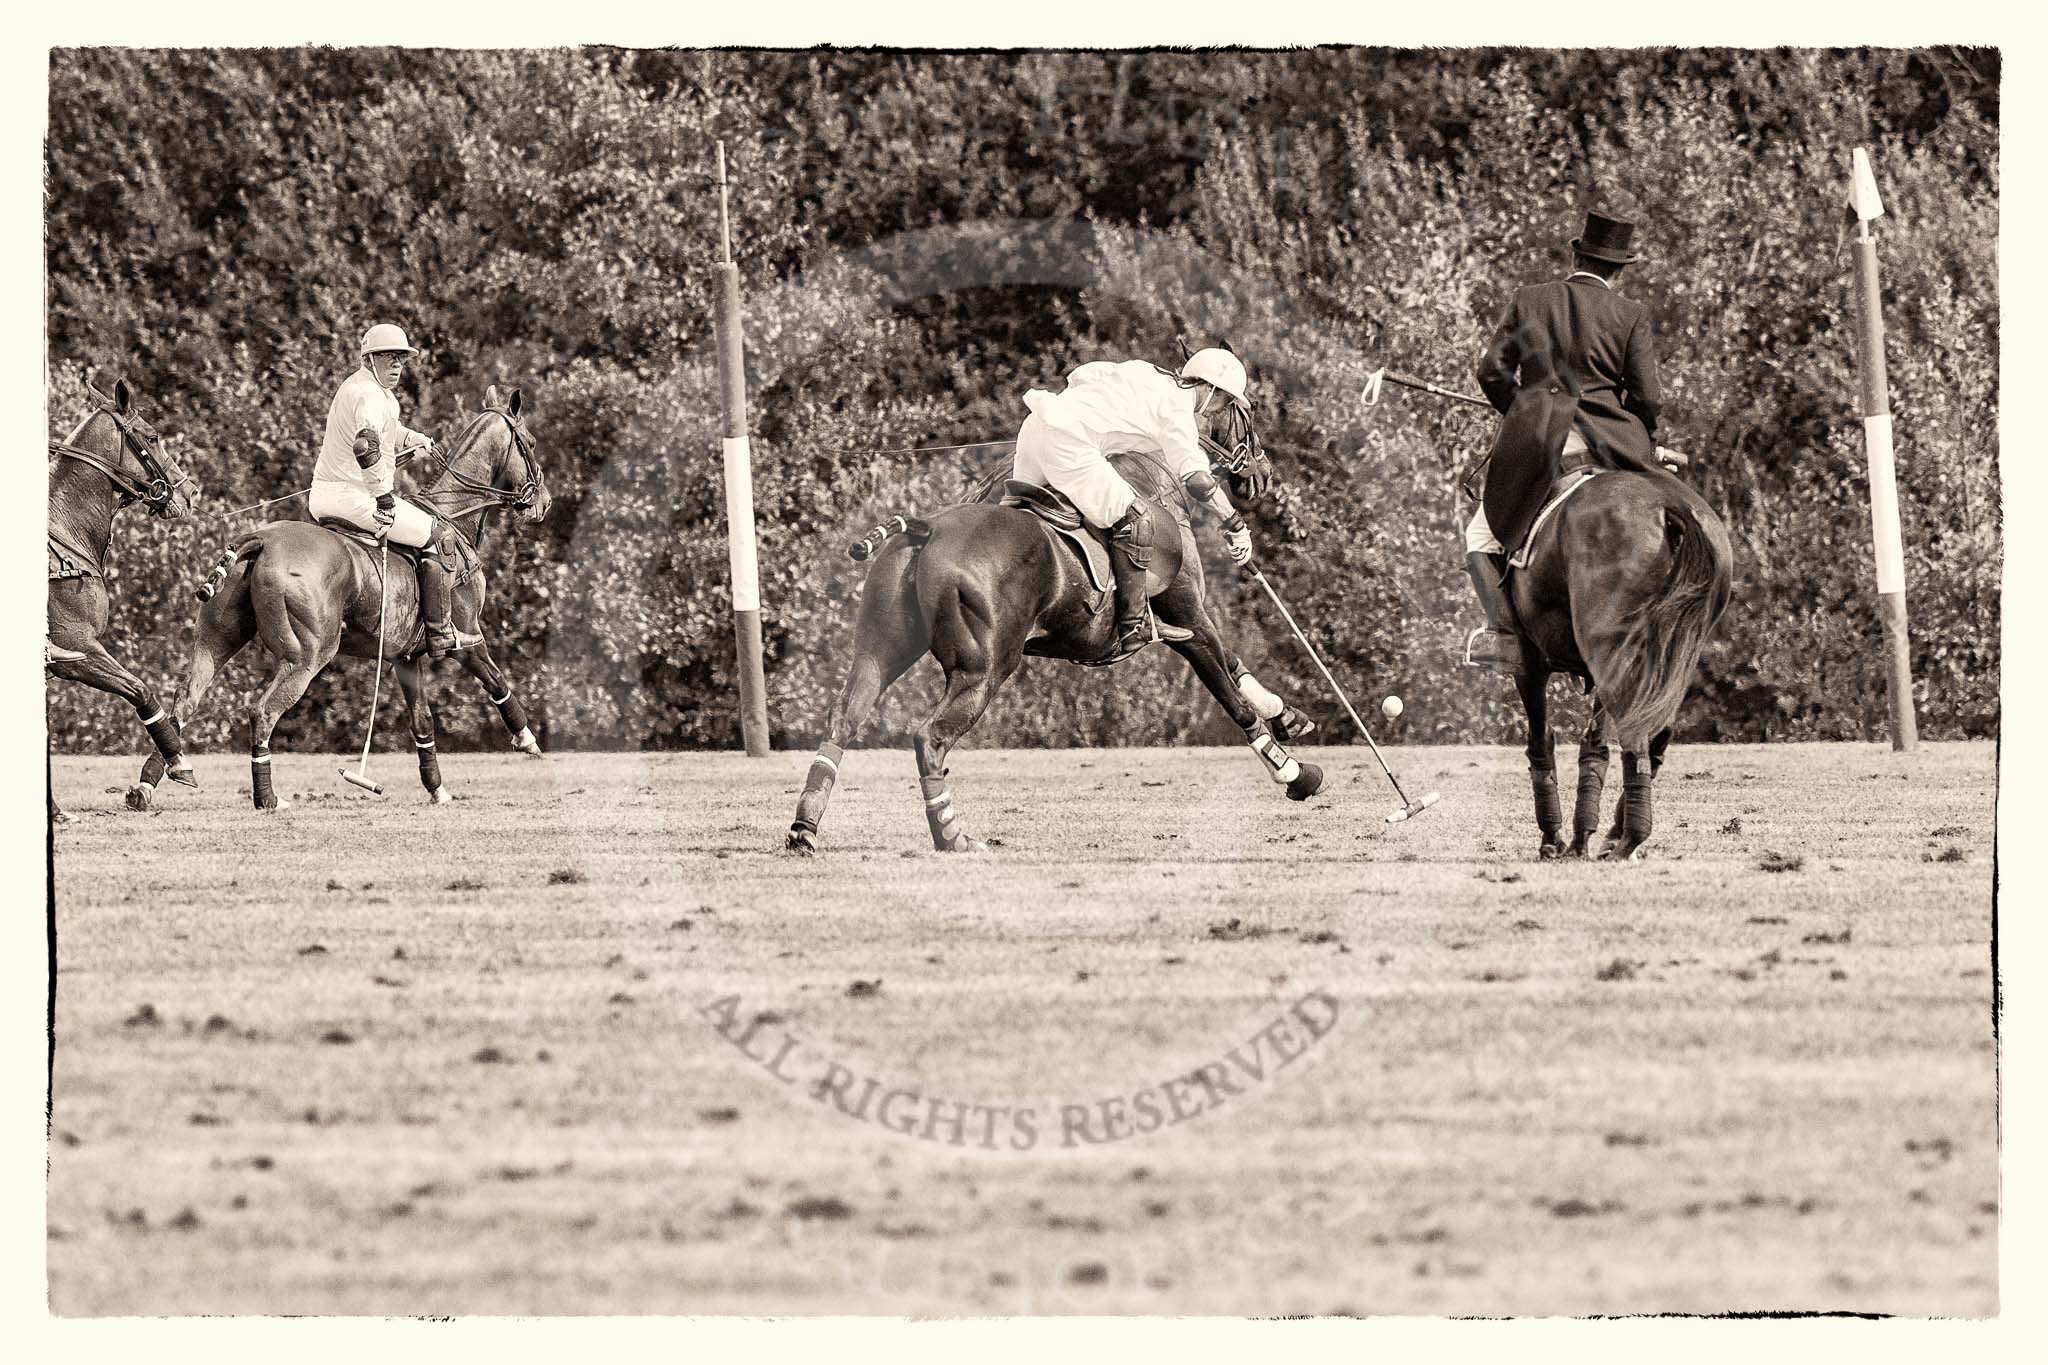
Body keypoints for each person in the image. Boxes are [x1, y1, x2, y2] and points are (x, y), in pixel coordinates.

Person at [1463, 210, 1666, 675]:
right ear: (1618, 270)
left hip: (1543, 444)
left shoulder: (1529, 300)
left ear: (1576, 254)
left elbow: (1490, 372)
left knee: (1480, 535)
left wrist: (1525, 413)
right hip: (1614, 443)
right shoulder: (1629, 314)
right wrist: (1644, 436)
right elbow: (1647, 396)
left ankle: (1505, 637)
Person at [1012, 348, 1257, 663]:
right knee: (1138, 520)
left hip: (1034, 429)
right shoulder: (1179, 412)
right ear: (1210, 389)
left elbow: (1082, 375)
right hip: (1070, 444)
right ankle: (1134, 624)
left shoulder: (1147, 369)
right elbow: (1197, 480)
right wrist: (1236, 526)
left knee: (1016, 511)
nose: (1218, 410)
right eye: (1226, 400)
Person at [308, 324, 478, 657]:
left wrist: (410, 437)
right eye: (389, 357)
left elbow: (386, 430)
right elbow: (367, 445)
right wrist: (384, 500)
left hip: (327, 496)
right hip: (354, 499)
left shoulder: (368, 389)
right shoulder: (369, 394)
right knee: (441, 534)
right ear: (369, 359)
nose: (397, 365)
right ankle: (441, 632)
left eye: (401, 358)